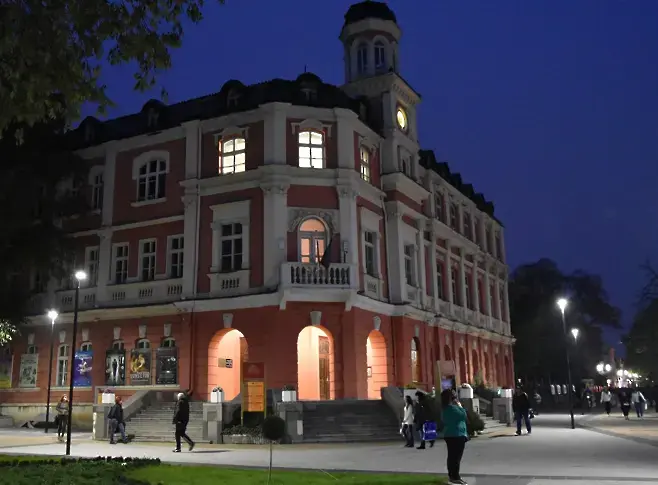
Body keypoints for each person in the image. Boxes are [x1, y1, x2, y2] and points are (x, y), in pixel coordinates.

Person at [440, 389, 469, 485]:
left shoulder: (444, 409)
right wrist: (460, 405)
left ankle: (452, 476)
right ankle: (455, 477)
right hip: (457, 435)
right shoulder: (452, 408)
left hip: (449, 435)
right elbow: (463, 415)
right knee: (456, 457)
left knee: (452, 456)